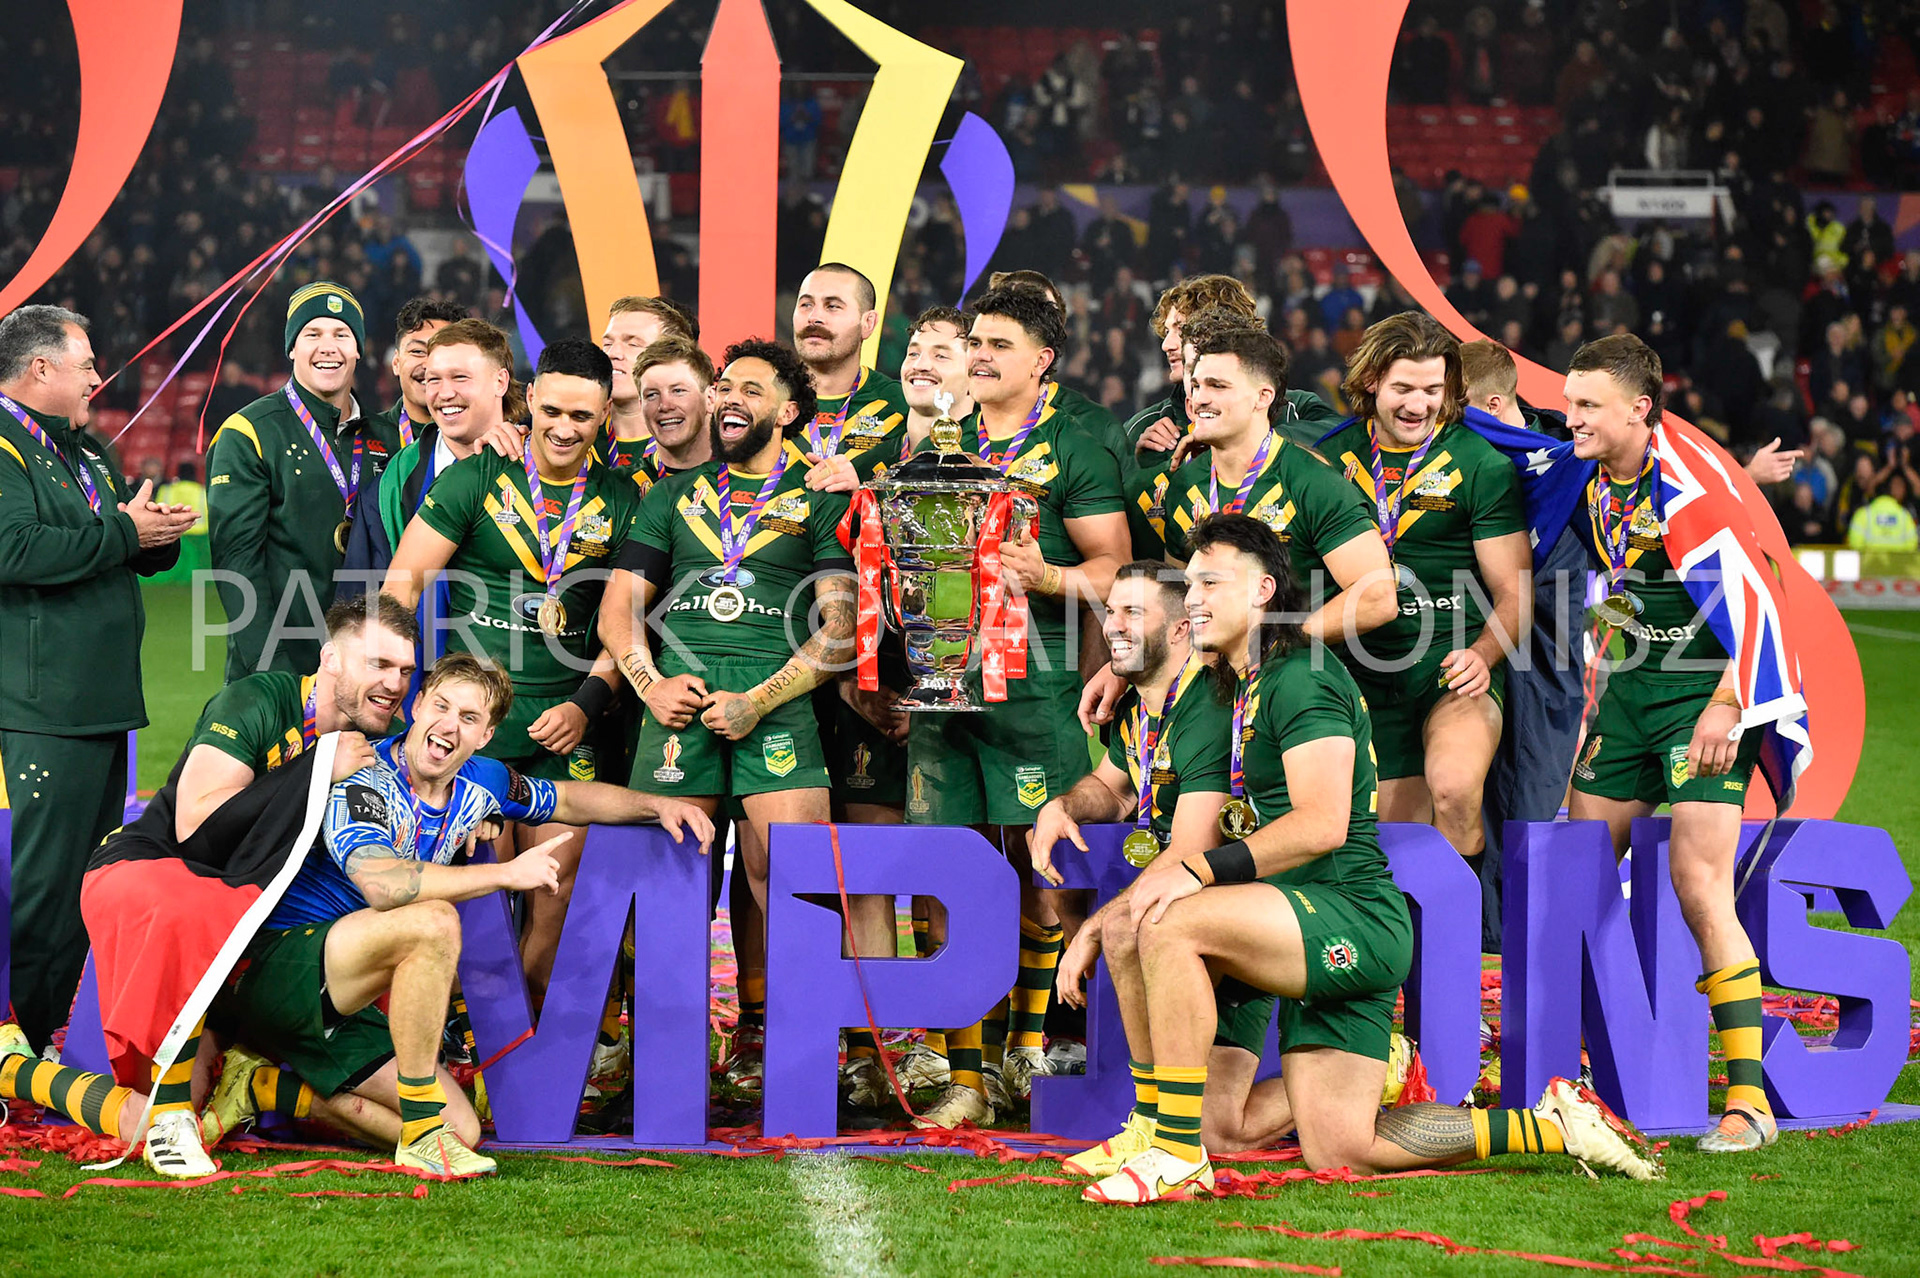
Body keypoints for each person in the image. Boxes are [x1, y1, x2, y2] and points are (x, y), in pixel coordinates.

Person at [1069, 512, 1659, 1203]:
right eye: (1189, 582)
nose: (1191, 597)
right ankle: (1553, 1125)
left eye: (1209, 581)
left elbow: (1323, 825)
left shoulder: (1302, 678)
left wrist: (1196, 874)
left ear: (1262, 591)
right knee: (1344, 1150)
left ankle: (1170, 1149)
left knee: (1170, 922)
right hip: (1286, 916)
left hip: (1349, 912)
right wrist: (1107, 919)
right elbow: (1162, 682)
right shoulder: (1235, 682)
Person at [201, 652, 713, 1176]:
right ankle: (419, 1132)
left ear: (486, 736)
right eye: (441, 706)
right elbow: (383, 884)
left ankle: (265, 1087)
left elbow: (567, 799)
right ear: (416, 707)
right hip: (279, 971)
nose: (449, 726)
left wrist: (655, 805)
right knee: (434, 921)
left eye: (469, 719)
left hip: (345, 998)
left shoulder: (482, 781)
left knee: (463, 1131)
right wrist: (504, 873)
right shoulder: (365, 776)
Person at [0, 596, 418, 1177]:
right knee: (194, 909)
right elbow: (193, 825)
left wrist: (480, 812)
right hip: (147, 875)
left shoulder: (376, 745)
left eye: (403, 670)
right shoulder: (258, 700)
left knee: (151, 1117)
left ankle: (22, 1070)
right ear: (330, 660)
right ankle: (34, 1071)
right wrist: (315, 766)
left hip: (239, 933)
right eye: (378, 664)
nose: (394, 683)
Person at [598, 339, 857, 1096]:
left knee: (791, 877)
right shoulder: (670, 496)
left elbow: (839, 628)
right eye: (724, 386)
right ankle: (663, 1060)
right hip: (678, 695)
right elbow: (620, 611)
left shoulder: (820, 496)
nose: (730, 397)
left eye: (751, 388)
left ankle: (789, 1051)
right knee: (671, 880)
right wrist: (648, 684)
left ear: (789, 410)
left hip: (776, 700)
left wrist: (761, 700)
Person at [904, 286, 1130, 1125]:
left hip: (1040, 686)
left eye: (1000, 343)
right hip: (942, 688)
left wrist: (1050, 577)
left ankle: (1031, 1052)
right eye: (975, 341)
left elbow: (1115, 569)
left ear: (1042, 360)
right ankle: (968, 1079)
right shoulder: (936, 438)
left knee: (1049, 880)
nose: (982, 354)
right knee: (947, 876)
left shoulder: (1077, 442)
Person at [1562, 334, 1777, 1154]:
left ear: (1639, 411)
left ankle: (1748, 1101)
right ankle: (1579, 1064)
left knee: (1697, 885)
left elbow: (1758, 601)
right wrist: (1604, 644)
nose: (1571, 418)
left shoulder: (1692, 491)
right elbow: (1628, 581)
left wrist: (1728, 703)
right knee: (1574, 876)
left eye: (1587, 407)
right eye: (1571, 403)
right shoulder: (1592, 485)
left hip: (1704, 701)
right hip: (1628, 698)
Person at [381, 339, 634, 1002]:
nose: (561, 428)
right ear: (528, 398)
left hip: (564, 726)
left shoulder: (622, 498)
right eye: (549, 410)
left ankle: (521, 1037)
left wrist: (586, 701)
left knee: (556, 887)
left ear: (605, 412)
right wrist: (401, 692)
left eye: (582, 417)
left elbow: (628, 625)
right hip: (471, 730)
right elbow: (401, 587)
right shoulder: (474, 477)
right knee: (471, 888)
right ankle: (463, 1018)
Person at [0, 305, 196, 1058]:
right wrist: (122, 533)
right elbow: (14, 547)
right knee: (46, 883)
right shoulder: (5, 447)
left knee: (87, 879)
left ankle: (55, 1032)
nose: (97, 376)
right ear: (40, 368)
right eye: (85, 363)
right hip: (45, 704)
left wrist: (150, 540)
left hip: (100, 701)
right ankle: (19, 1035)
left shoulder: (80, 452)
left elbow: (110, 536)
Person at [1027, 563, 1234, 1171]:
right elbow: (1113, 790)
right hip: (1194, 878)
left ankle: (1169, 1140)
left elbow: (1191, 848)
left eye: (1132, 614)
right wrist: (1059, 806)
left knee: (1124, 926)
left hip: (1249, 878)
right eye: (1111, 611)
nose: (1112, 627)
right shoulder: (1145, 702)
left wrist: (1090, 930)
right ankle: (1150, 1126)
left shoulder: (1208, 704)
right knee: (1086, 868)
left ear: (1179, 630)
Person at [1319, 315, 1531, 879]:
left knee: (1457, 790)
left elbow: (1515, 590)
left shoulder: (1480, 466)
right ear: (1371, 384)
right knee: (1394, 837)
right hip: (1358, 675)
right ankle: (1407, 961)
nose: (1419, 405)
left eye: (1434, 391)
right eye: (1404, 389)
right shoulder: (1328, 460)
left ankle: (1465, 951)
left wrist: (1483, 656)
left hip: (1449, 668)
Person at [208, 281, 406, 682]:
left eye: (341, 334)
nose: (327, 346)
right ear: (292, 348)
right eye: (312, 334)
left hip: (368, 673)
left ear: (358, 349)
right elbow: (237, 565)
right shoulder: (249, 432)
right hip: (283, 667)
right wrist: (272, 671)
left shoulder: (388, 438)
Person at [1460, 339, 1585, 952]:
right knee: (1464, 794)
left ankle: (1503, 950)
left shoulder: (1565, 464)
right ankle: (1477, 944)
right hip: (1465, 643)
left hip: (1542, 660)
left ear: (1488, 403)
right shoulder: (1462, 460)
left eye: (1451, 407)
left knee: (1524, 799)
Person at [341, 318, 528, 601]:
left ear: (500, 381)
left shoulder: (539, 465)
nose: (444, 393)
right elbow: (358, 603)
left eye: (460, 377)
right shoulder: (391, 487)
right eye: (433, 379)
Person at [792, 263, 911, 491]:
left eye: (833, 306)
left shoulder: (901, 405)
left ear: (868, 323)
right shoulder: (765, 399)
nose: (814, 317)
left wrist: (862, 495)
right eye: (806, 304)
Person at [598, 295, 699, 471]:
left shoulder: (702, 444)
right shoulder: (576, 434)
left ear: (671, 359)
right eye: (608, 343)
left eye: (633, 344)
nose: (613, 353)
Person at [610, 334, 715, 482]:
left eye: (678, 391)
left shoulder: (741, 479)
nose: (665, 406)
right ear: (641, 405)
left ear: (710, 399)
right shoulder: (622, 486)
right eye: (652, 395)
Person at [368, 297, 469, 448]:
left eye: (440, 352)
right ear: (396, 363)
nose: (428, 365)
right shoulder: (363, 438)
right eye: (417, 351)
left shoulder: (488, 440)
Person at [1847, 470, 1919, 551]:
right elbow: (1912, 546)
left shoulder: (1862, 515)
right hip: (1898, 563)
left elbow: (1854, 545)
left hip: (1869, 563)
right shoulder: (1905, 515)